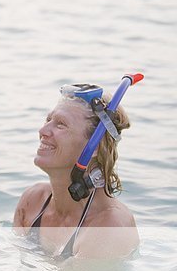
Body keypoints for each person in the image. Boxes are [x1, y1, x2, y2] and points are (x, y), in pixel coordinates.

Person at [13, 83, 139, 259]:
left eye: (61, 125)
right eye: (48, 120)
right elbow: (12, 268)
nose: (43, 131)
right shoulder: (33, 201)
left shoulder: (110, 227)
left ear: (94, 146)